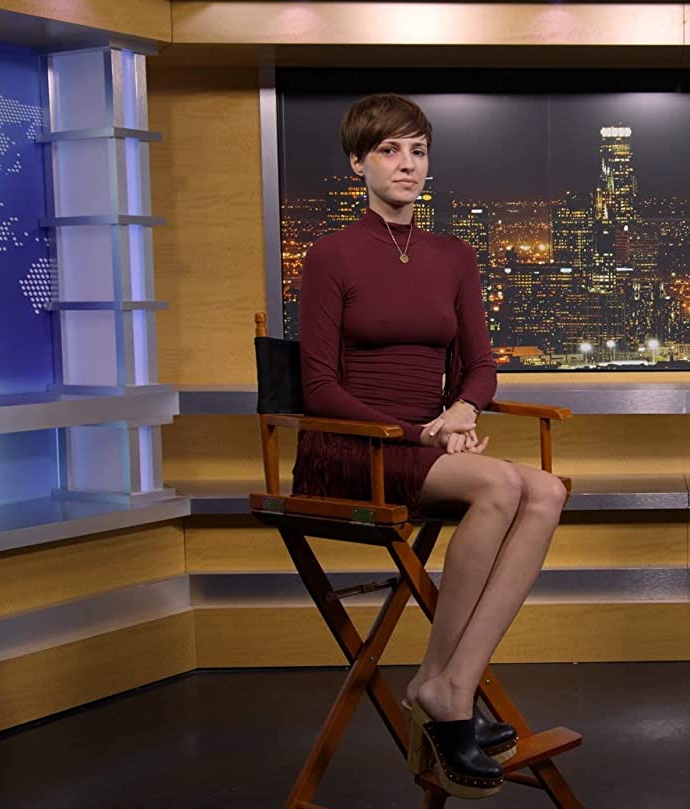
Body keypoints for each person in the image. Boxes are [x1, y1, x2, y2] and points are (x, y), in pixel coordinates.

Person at [293, 94, 569, 800]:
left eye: (417, 151)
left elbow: (481, 365)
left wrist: (462, 409)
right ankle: (445, 693)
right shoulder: (330, 255)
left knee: (547, 489)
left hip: (426, 444)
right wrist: (423, 432)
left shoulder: (454, 256)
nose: (406, 164)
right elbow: (318, 387)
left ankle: (450, 682)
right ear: (357, 163)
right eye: (389, 150)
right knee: (500, 484)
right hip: (353, 447)